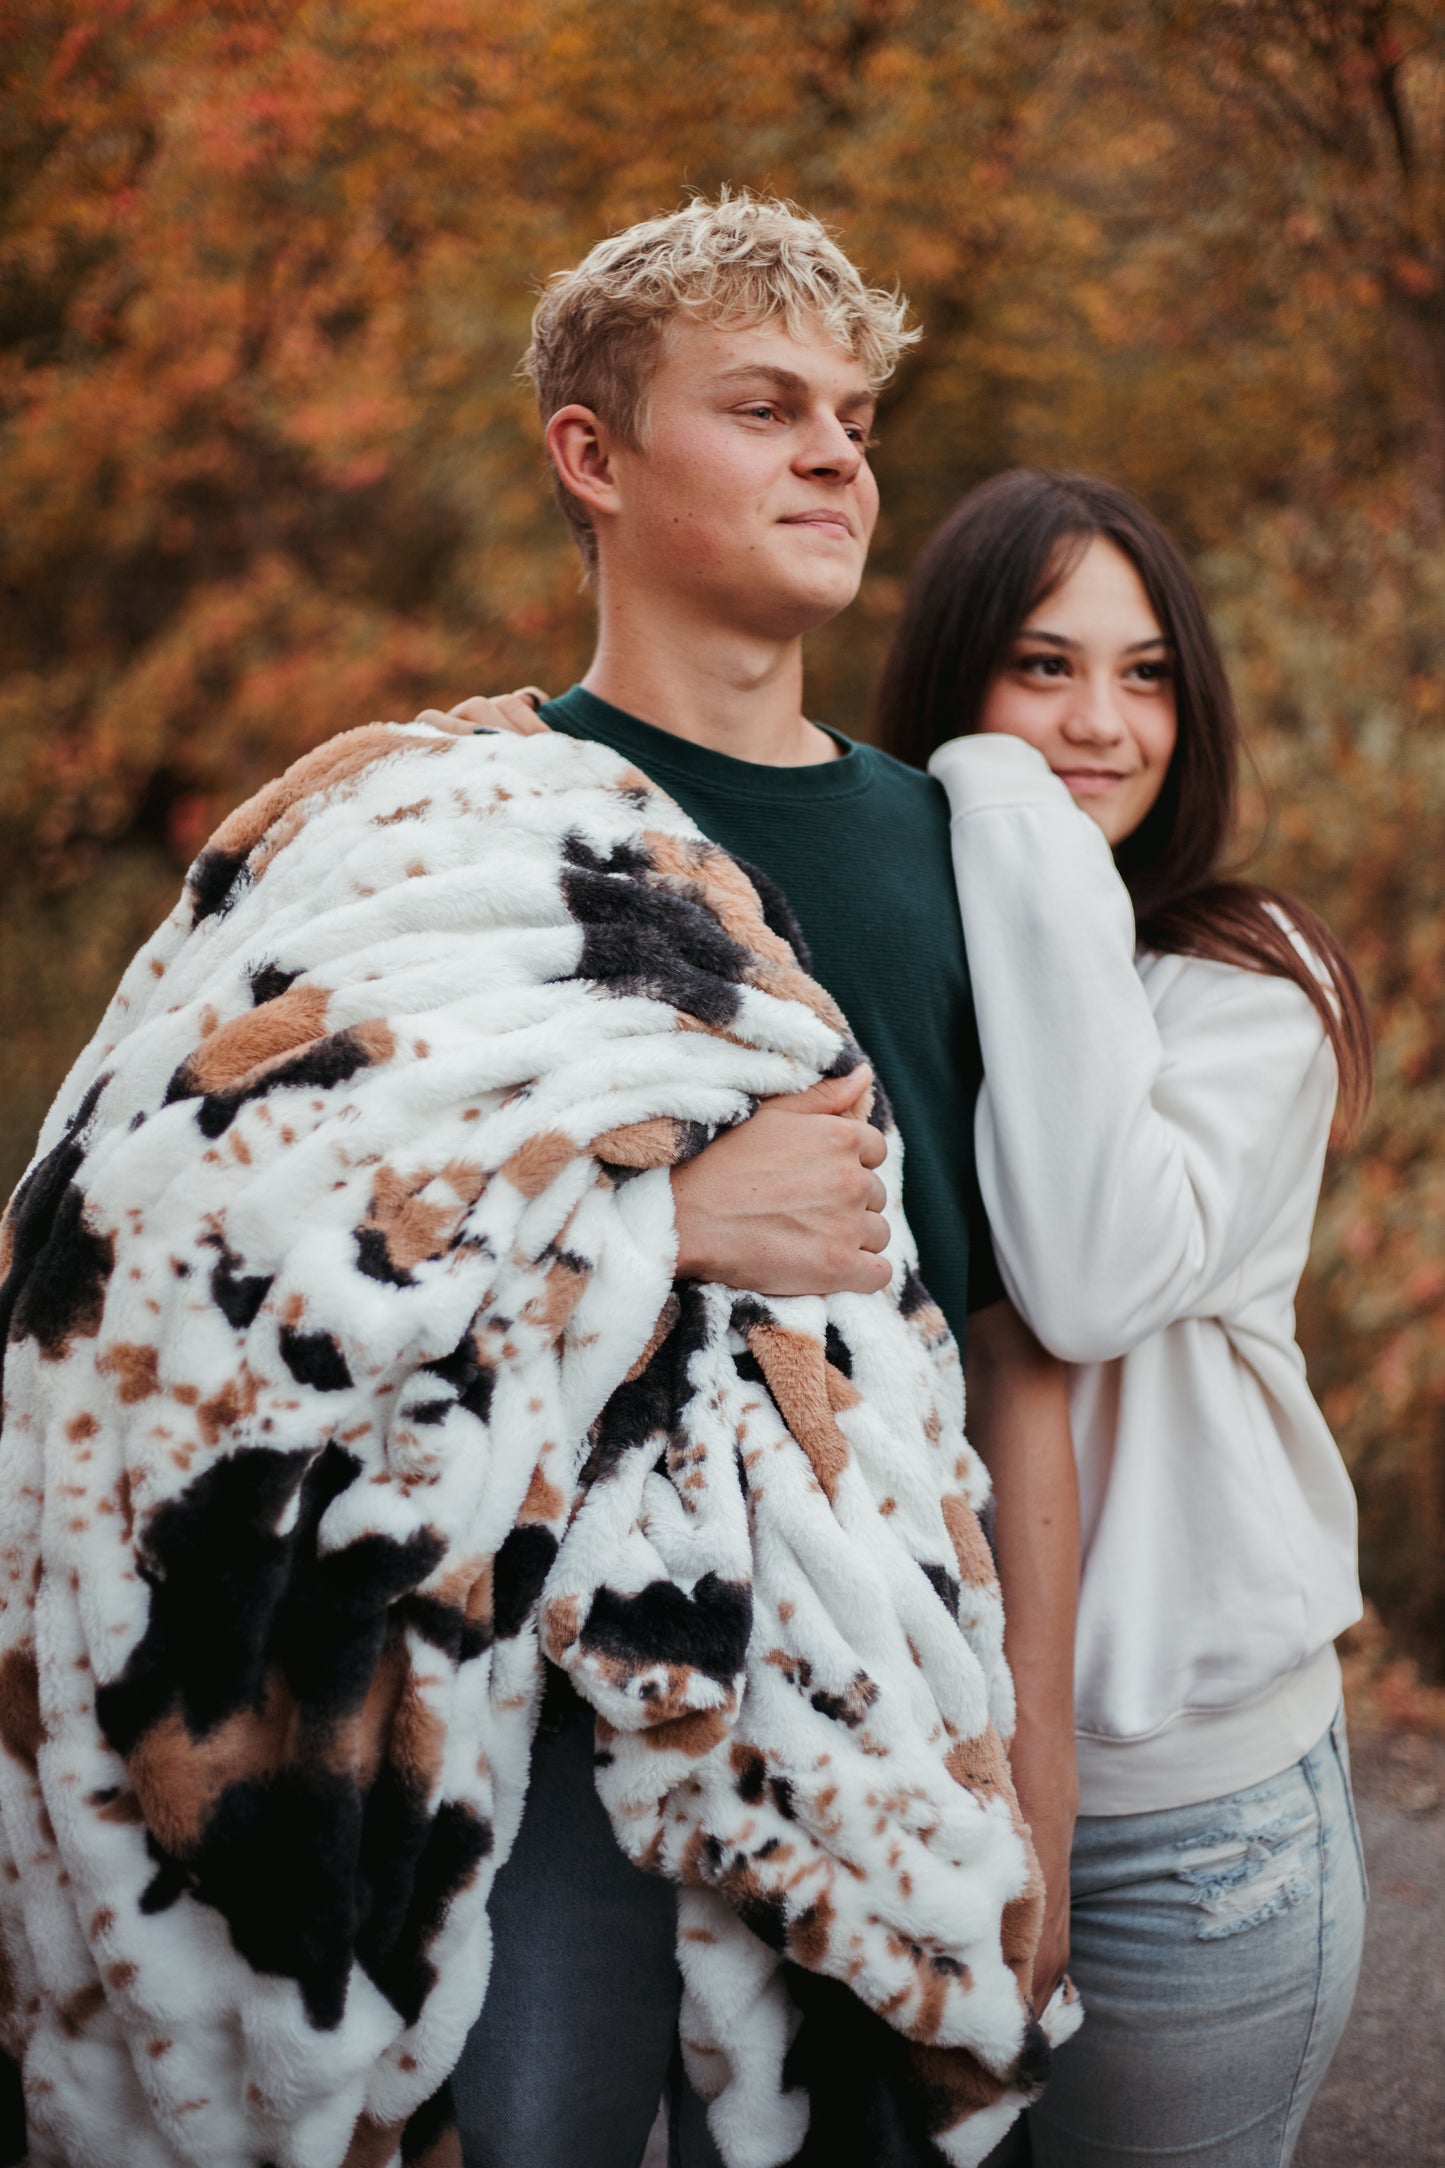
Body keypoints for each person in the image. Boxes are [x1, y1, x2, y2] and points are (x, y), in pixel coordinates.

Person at [435, 201, 1083, 2166]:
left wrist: (1036, 1765)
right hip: (539, 1721)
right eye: (768, 405)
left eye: (858, 415)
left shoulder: (954, 847)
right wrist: (664, 1227)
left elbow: (1023, 1348)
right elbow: (241, 1293)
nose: (838, 453)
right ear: (594, 456)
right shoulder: (463, 828)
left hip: (896, 1684)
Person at [876, 469, 1372, 2168]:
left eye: (1146, 672)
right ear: (949, 679)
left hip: (1187, 1826)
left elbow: (1082, 1279)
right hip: (899, 1785)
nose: (1102, 721)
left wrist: (1002, 802)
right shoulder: (881, 971)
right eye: (1041, 669)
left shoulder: (1248, 986)